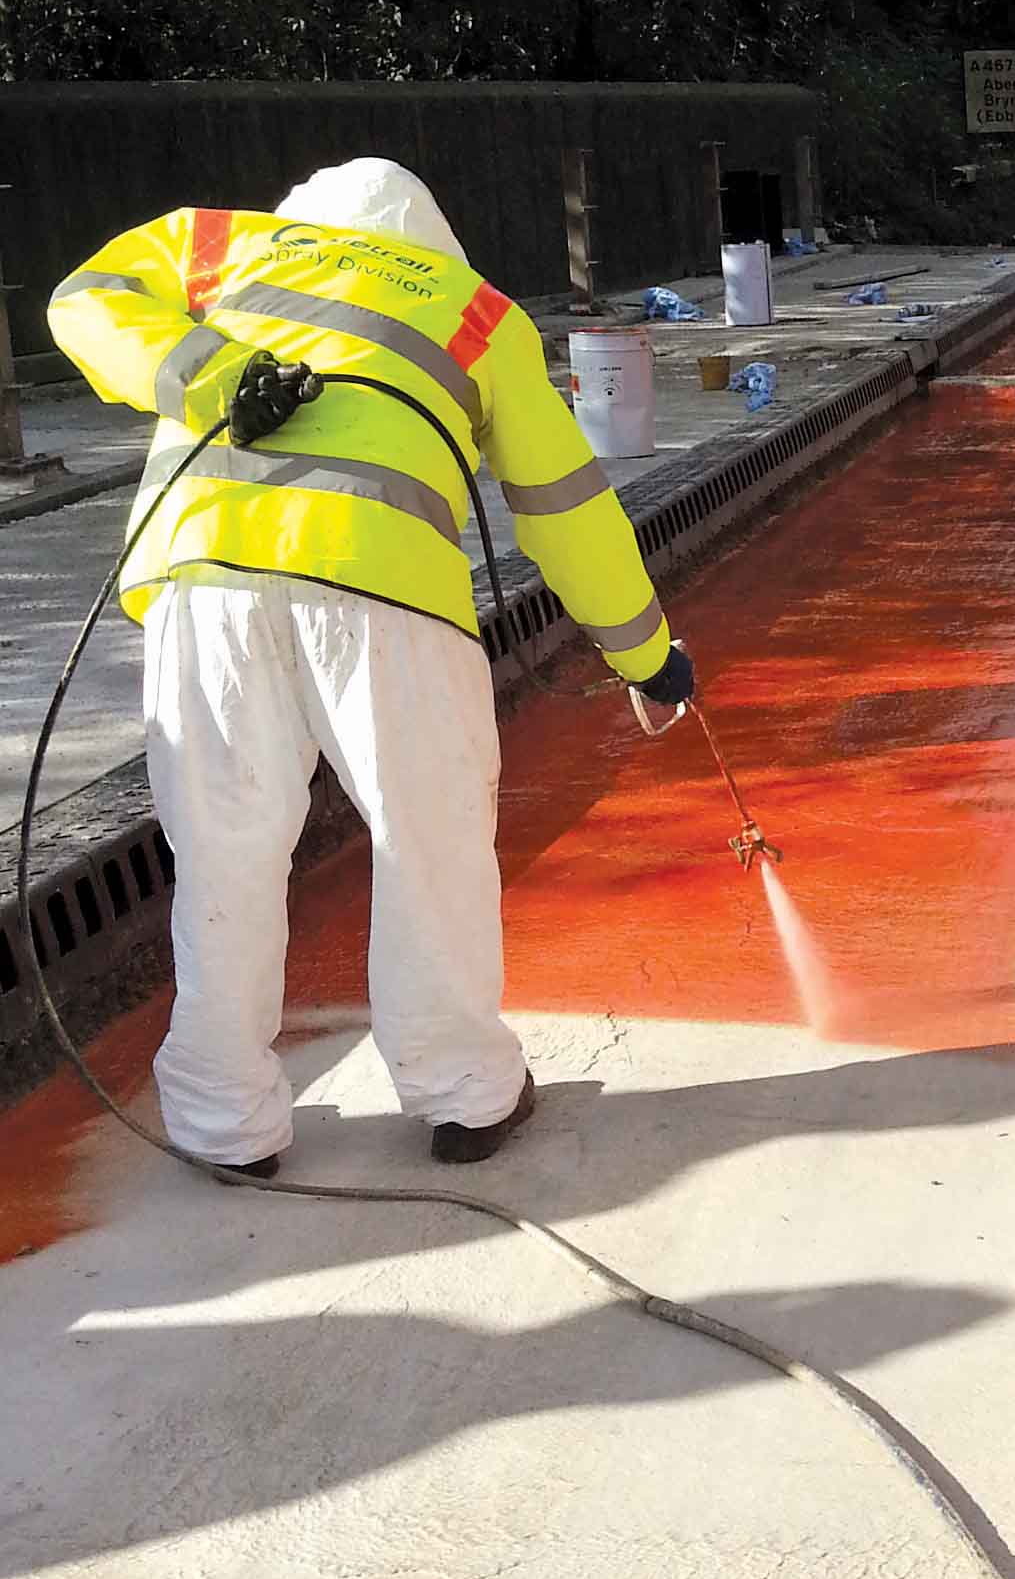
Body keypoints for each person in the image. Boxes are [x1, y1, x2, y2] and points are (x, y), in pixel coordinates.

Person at [47, 158, 692, 1176]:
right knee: (427, 839)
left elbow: (82, 298)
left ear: (308, 221)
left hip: (202, 585)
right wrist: (646, 654)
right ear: (426, 242)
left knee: (223, 849)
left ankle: (225, 1124)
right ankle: (466, 1093)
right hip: (388, 596)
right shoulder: (476, 314)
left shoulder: (220, 243)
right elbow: (562, 501)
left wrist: (205, 372)